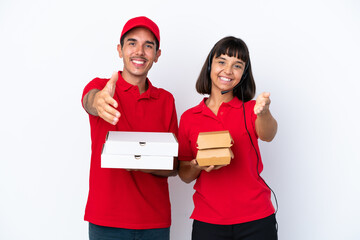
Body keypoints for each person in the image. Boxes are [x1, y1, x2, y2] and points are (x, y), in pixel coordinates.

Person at [81, 16, 178, 240]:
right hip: (106, 220)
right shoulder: (101, 87)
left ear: (157, 54)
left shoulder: (166, 100)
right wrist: (97, 101)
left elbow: (173, 166)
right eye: (132, 43)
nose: (139, 51)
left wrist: (141, 160)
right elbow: (90, 101)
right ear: (120, 49)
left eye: (148, 45)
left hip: (155, 221)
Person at [177, 36, 278, 240]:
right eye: (222, 61)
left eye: (237, 65)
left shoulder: (250, 109)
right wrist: (198, 165)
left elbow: (268, 135)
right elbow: (184, 174)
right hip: (208, 221)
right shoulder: (189, 117)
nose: (228, 70)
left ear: (244, 73)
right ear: (210, 65)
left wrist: (264, 111)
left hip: (256, 219)